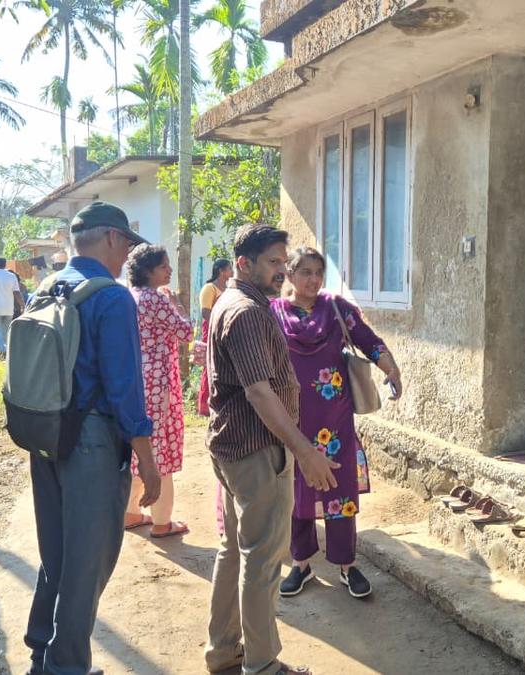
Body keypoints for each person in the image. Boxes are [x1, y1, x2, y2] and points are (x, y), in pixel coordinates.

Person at [23, 201, 162, 675]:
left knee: (56, 555)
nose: (127, 254)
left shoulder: (46, 288)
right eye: (126, 243)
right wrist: (147, 459)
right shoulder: (111, 297)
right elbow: (124, 387)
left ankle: (42, 653)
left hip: (46, 434)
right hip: (92, 442)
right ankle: (66, 666)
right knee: (88, 561)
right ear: (111, 238)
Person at [205, 224, 338, 675]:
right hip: (256, 450)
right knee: (262, 561)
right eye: (273, 262)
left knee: (234, 552)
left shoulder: (235, 302)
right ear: (244, 264)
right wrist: (304, 451)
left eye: (284, 261)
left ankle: (224, 652)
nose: (282, 270)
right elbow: (260, 393)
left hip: (234, 446)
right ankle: (262, 665)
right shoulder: (246, 312)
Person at [272, 247, 402, 599]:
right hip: (293, 421)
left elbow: (369, 342)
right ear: (290, 275)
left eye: (319, 272)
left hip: (335, 421)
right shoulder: (274, 313)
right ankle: (301, 563)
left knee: (340, 491)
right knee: (297, 491)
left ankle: (347, 564)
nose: (314, 279)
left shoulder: (336, 308)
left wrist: (391, 369)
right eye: (306, 272)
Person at [122, 244, 194, 539]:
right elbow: (186, 333)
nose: (170, 270)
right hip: (160, 384)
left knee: (140, 450)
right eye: (164, 266)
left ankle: (131, 513)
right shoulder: (155, 299)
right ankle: (162, 522)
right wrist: (177, 305)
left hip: (138, 380)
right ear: (148, 271)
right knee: (161, 452)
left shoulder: (131, 296)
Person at [197, 258, 233, 417]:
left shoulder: (229, 289)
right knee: (209, 363)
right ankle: (204, 405)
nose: (232, 272)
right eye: (229, 268)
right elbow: (205, 312)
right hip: (212, 328)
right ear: (221, 271)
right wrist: (218, 324)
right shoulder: (209, 288)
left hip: (226, 330)